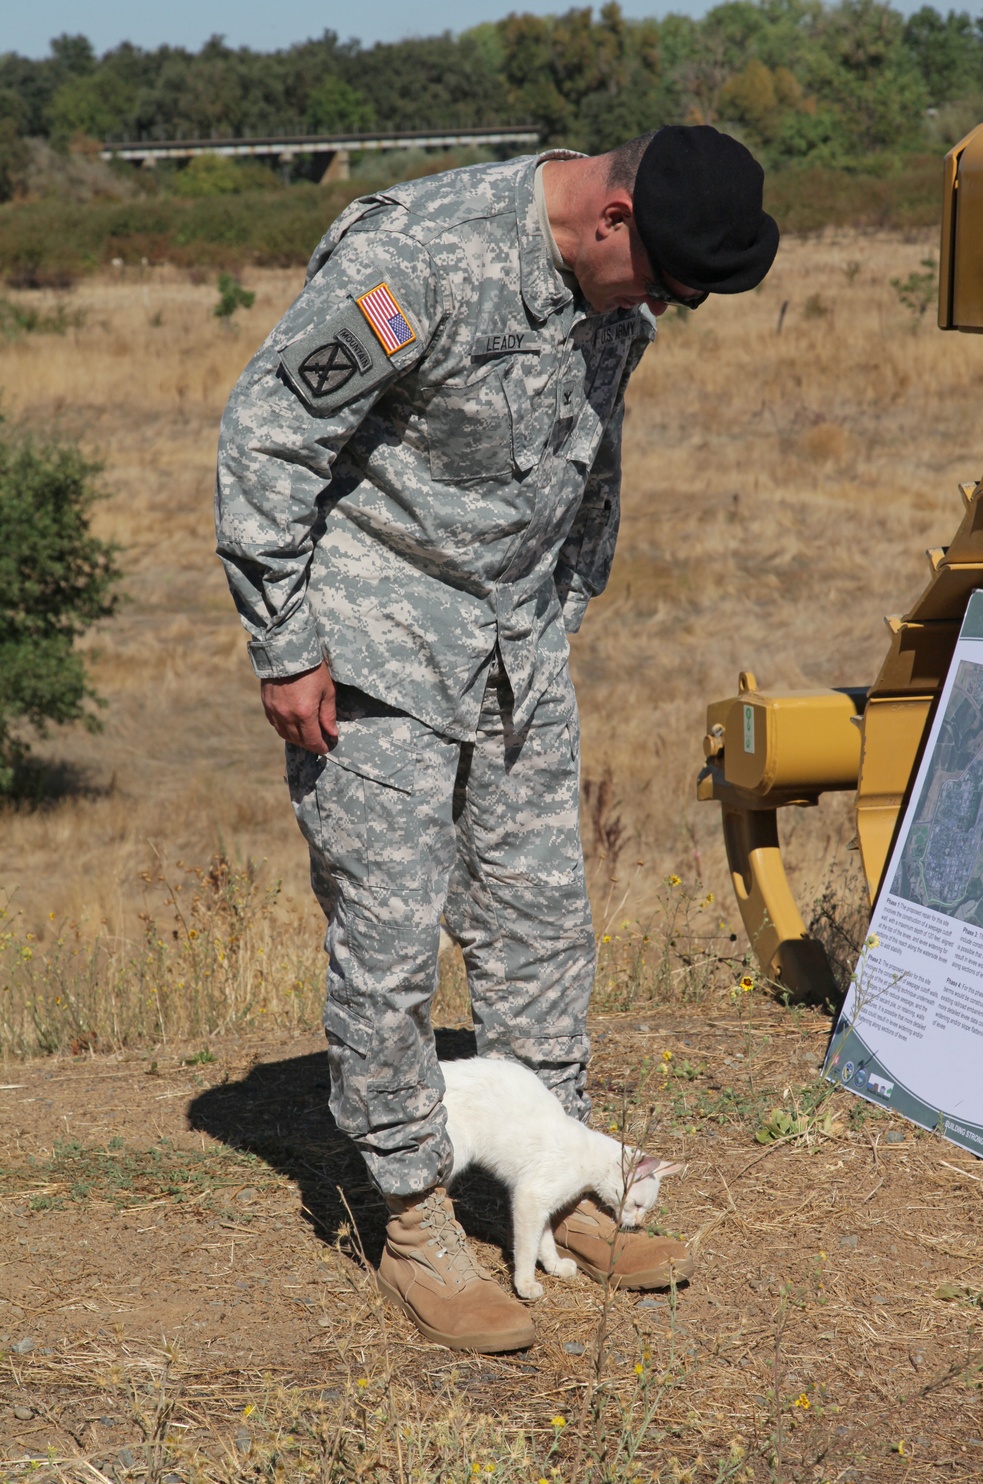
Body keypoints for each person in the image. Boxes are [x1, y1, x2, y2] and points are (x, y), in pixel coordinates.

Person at [215, 124, 778, 1353]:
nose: (662, 312)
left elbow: (591, 445)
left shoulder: (612, 284)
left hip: (517, 648)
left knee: (539, 924)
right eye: (661, 284)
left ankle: (560, 1177)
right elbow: (266, 436)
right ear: (611, 216)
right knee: (390, 937)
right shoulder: (418, 258)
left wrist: (564, 600)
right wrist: (286, 642)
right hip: (376, 648)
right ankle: (416, 1218)